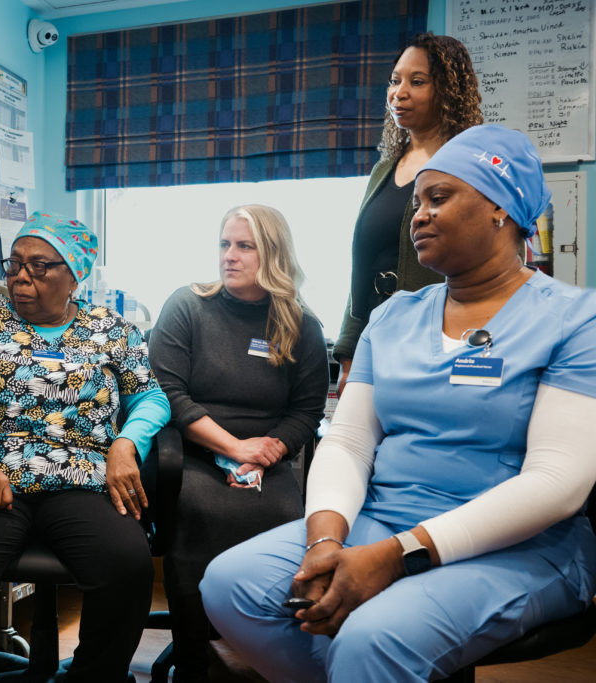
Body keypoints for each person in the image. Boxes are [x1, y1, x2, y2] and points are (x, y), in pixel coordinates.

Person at [199, 125, 596, 682]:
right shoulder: (393, 316)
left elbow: (558, 482)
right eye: (416, 204)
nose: (418, 216)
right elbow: (350, 439)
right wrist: (326, 537)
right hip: (382, 519)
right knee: (228, 585)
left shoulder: (577, 321)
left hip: (521, 545)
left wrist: (397, 555)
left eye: (439, 198)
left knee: (374, 637)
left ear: (501, 210)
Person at [0, 211, 171, 682]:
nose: (19, 277)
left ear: (74, 275)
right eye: (13, 264)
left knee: (128, 566)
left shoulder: (111, 330)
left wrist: (124, 445)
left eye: (38, 266)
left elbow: (151, 399)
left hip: (82, 479)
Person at [147, 205, 328, 681]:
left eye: (244, 246)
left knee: (286, 521)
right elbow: (168, 394)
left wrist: (269, 449)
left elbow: (306, 412)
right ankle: (192, 657)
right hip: (190, 451)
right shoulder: (187, 305)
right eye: (225, 244)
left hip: (265, 459)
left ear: (273, 254)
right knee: (201, 512)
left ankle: (269, 649)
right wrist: (233, 446)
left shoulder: (301, 325)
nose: (230, 256)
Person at [334, 32, 482, 396]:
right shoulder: (384, 169)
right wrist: (348, 353)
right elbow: (362, 265)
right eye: (395, 80)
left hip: (434, 346)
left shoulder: (469, 167)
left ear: (447, 92)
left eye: (417, 82)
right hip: (374, 339)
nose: (398, 92)